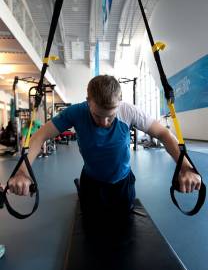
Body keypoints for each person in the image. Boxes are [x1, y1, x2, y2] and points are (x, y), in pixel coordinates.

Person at [8, 75, 201, 217]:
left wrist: (185, 168)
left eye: (111, 115)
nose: (104, 122)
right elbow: (40, 136)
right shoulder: (76, 112)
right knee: (91, 224)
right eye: (98, 115)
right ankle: (80, 186)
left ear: (120, 103)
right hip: (92, 181)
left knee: (123, 223)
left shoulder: (129, 111)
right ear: (88, 102)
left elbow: (163, 134)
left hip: (122, 182)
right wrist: (22, 172)